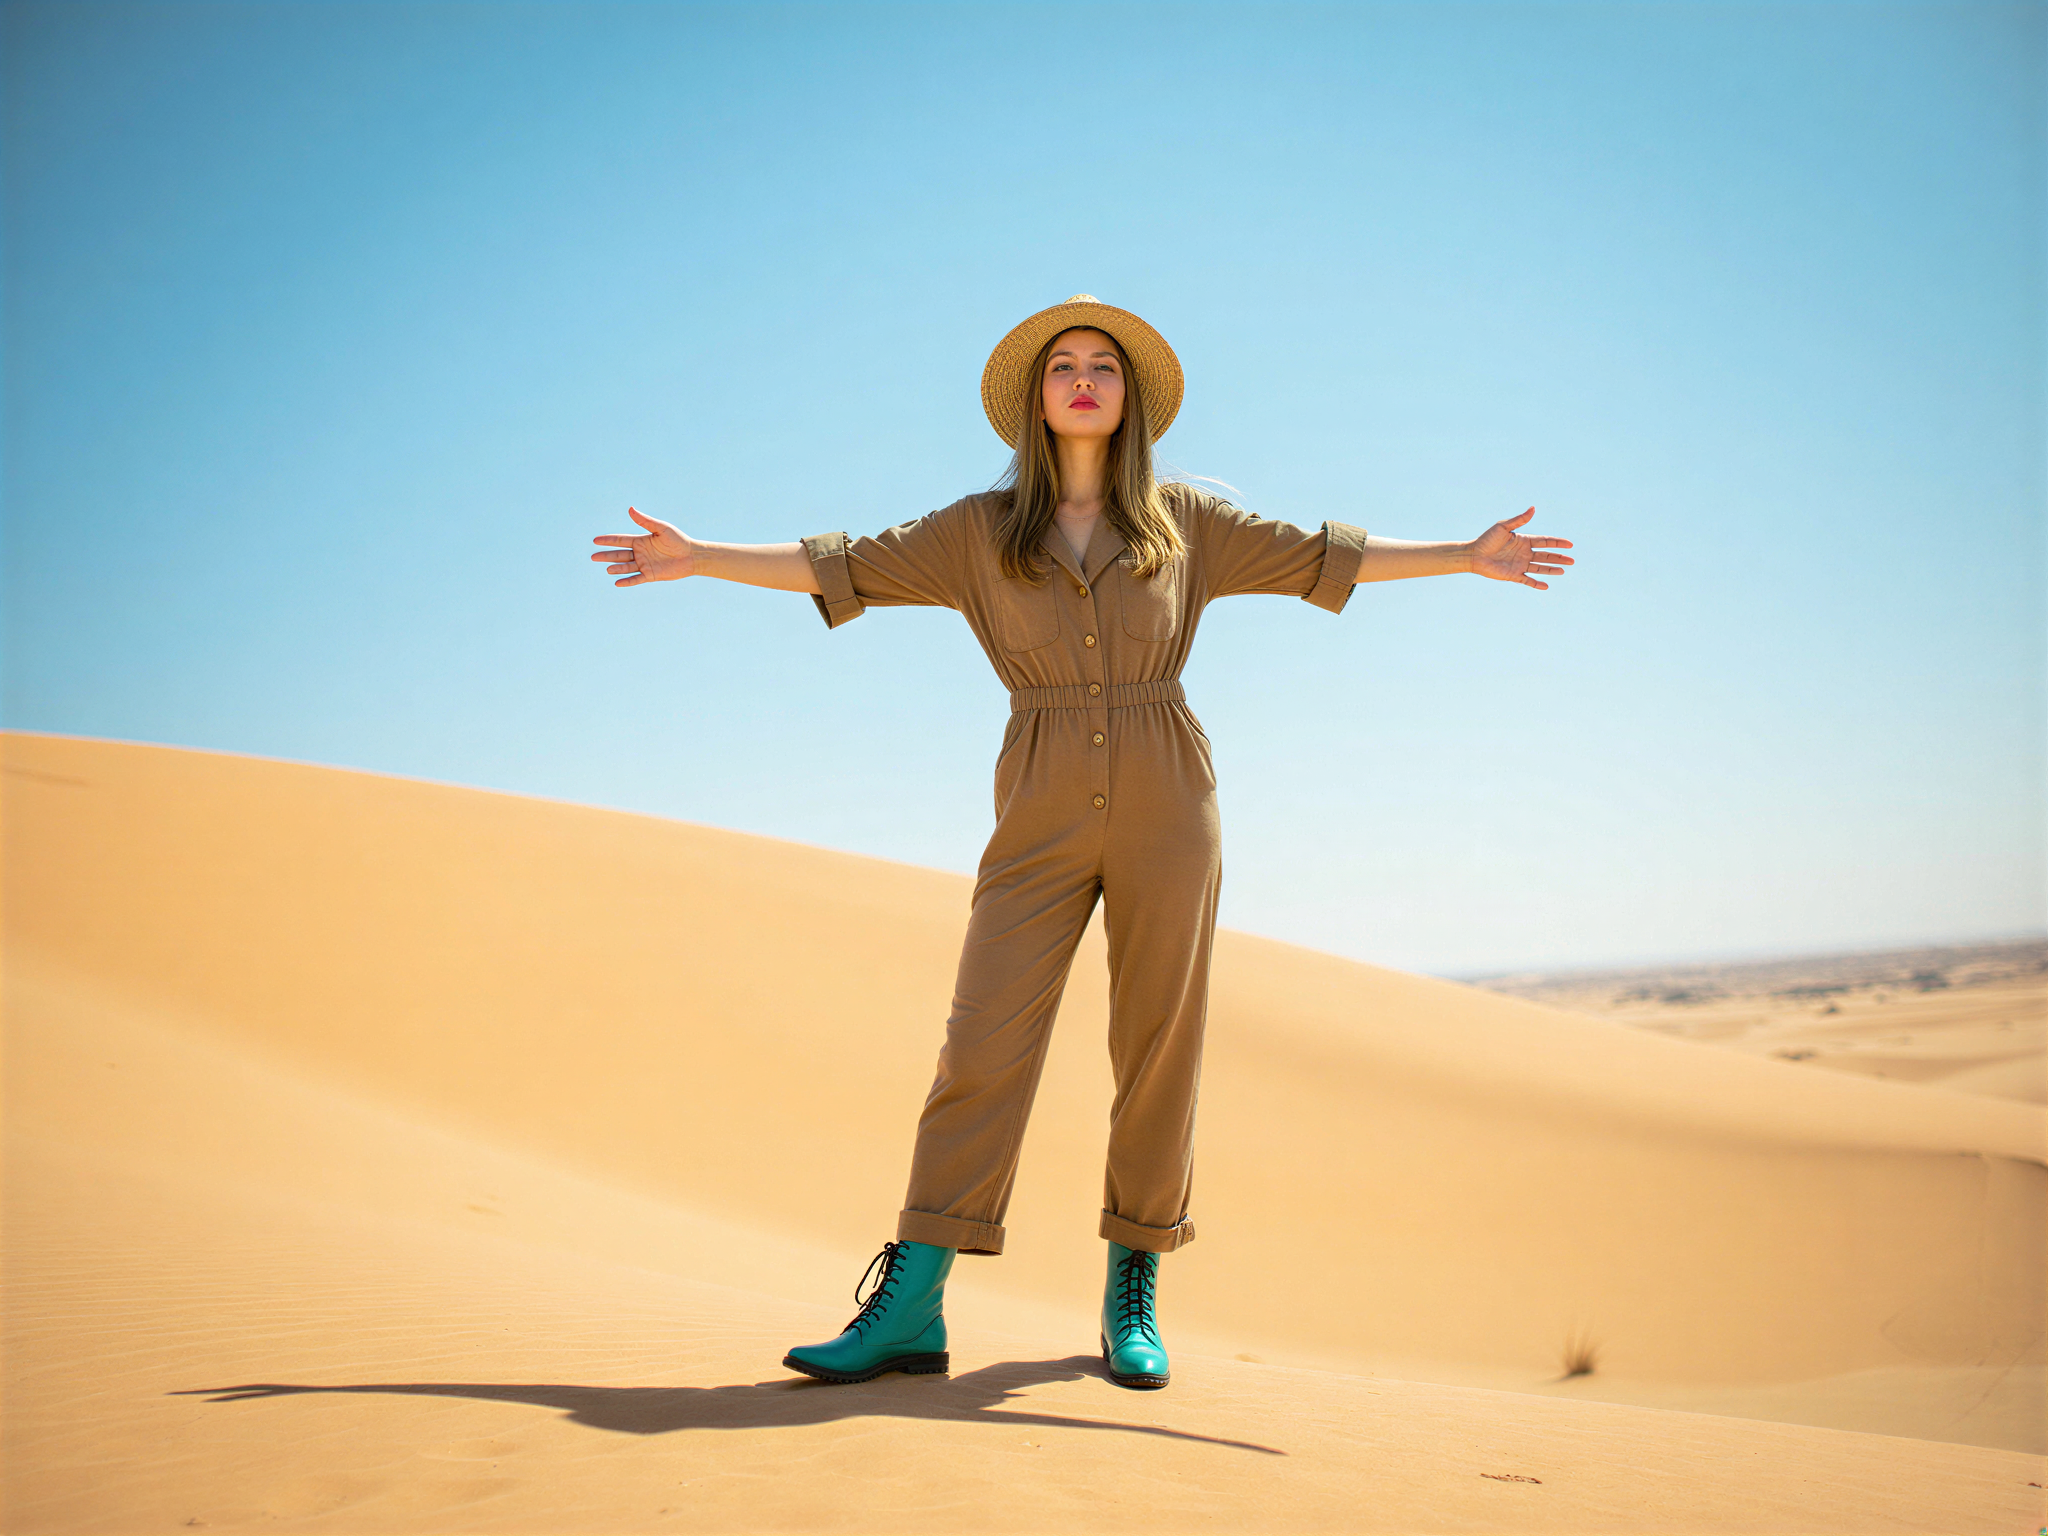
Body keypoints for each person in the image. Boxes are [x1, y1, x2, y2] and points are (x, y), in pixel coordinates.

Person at [590, 295, 1574, 1392]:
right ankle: (911, 1302)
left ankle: (1131, 1291)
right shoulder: (974, 531)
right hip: (1038, 802)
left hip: (1167, 794)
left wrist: (1466, 555)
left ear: (1127, 398)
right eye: (1063, 364)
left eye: (1103, 364)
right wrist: (698, 557)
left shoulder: (1186, 521)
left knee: (1157, 1049)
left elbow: (1319, 556)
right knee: (981, 1042)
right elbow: (842, 566)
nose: (1083, 377)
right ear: (1036, 398)